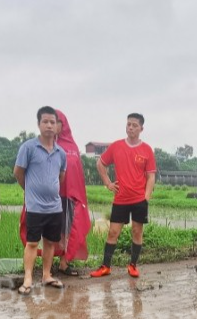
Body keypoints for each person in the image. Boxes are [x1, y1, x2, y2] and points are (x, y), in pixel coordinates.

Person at [92, 113, 156, 278]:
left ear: (141, 128)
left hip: (139, 200)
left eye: (135, 125)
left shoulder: (147, 150)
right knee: (113, 232)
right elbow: (100, 163)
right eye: (128, 124)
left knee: (137, 232)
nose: (131, 127)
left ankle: (133, 265)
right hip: (120, 199)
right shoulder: (116, 146)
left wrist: (146, 198)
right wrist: (107, 183)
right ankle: (105, 266)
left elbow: (151, 176)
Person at [14, 106, 67, 294]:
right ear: (38, 124)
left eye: (52, 122)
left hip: (54, 207)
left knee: (50, 242)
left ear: (57, 126)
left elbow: (60, 176)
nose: (49, 125)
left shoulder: (61, 153)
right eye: (45, 121)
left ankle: (46, 275)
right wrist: (30, 191)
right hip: (35, 207)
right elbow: (18, 173)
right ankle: (28, 278)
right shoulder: (28, 148)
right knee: (32, 243)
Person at [52, 109, 91, 277]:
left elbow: (77, 173)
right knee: (52, 229)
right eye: (50, 122)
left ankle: (64, 262)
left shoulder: (73, 147)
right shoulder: (48, 144)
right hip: (52, 195)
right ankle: (48, 264)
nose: (53, 125)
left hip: (71, 196)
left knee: (68, 229)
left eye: (56, 122)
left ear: (63, 124)